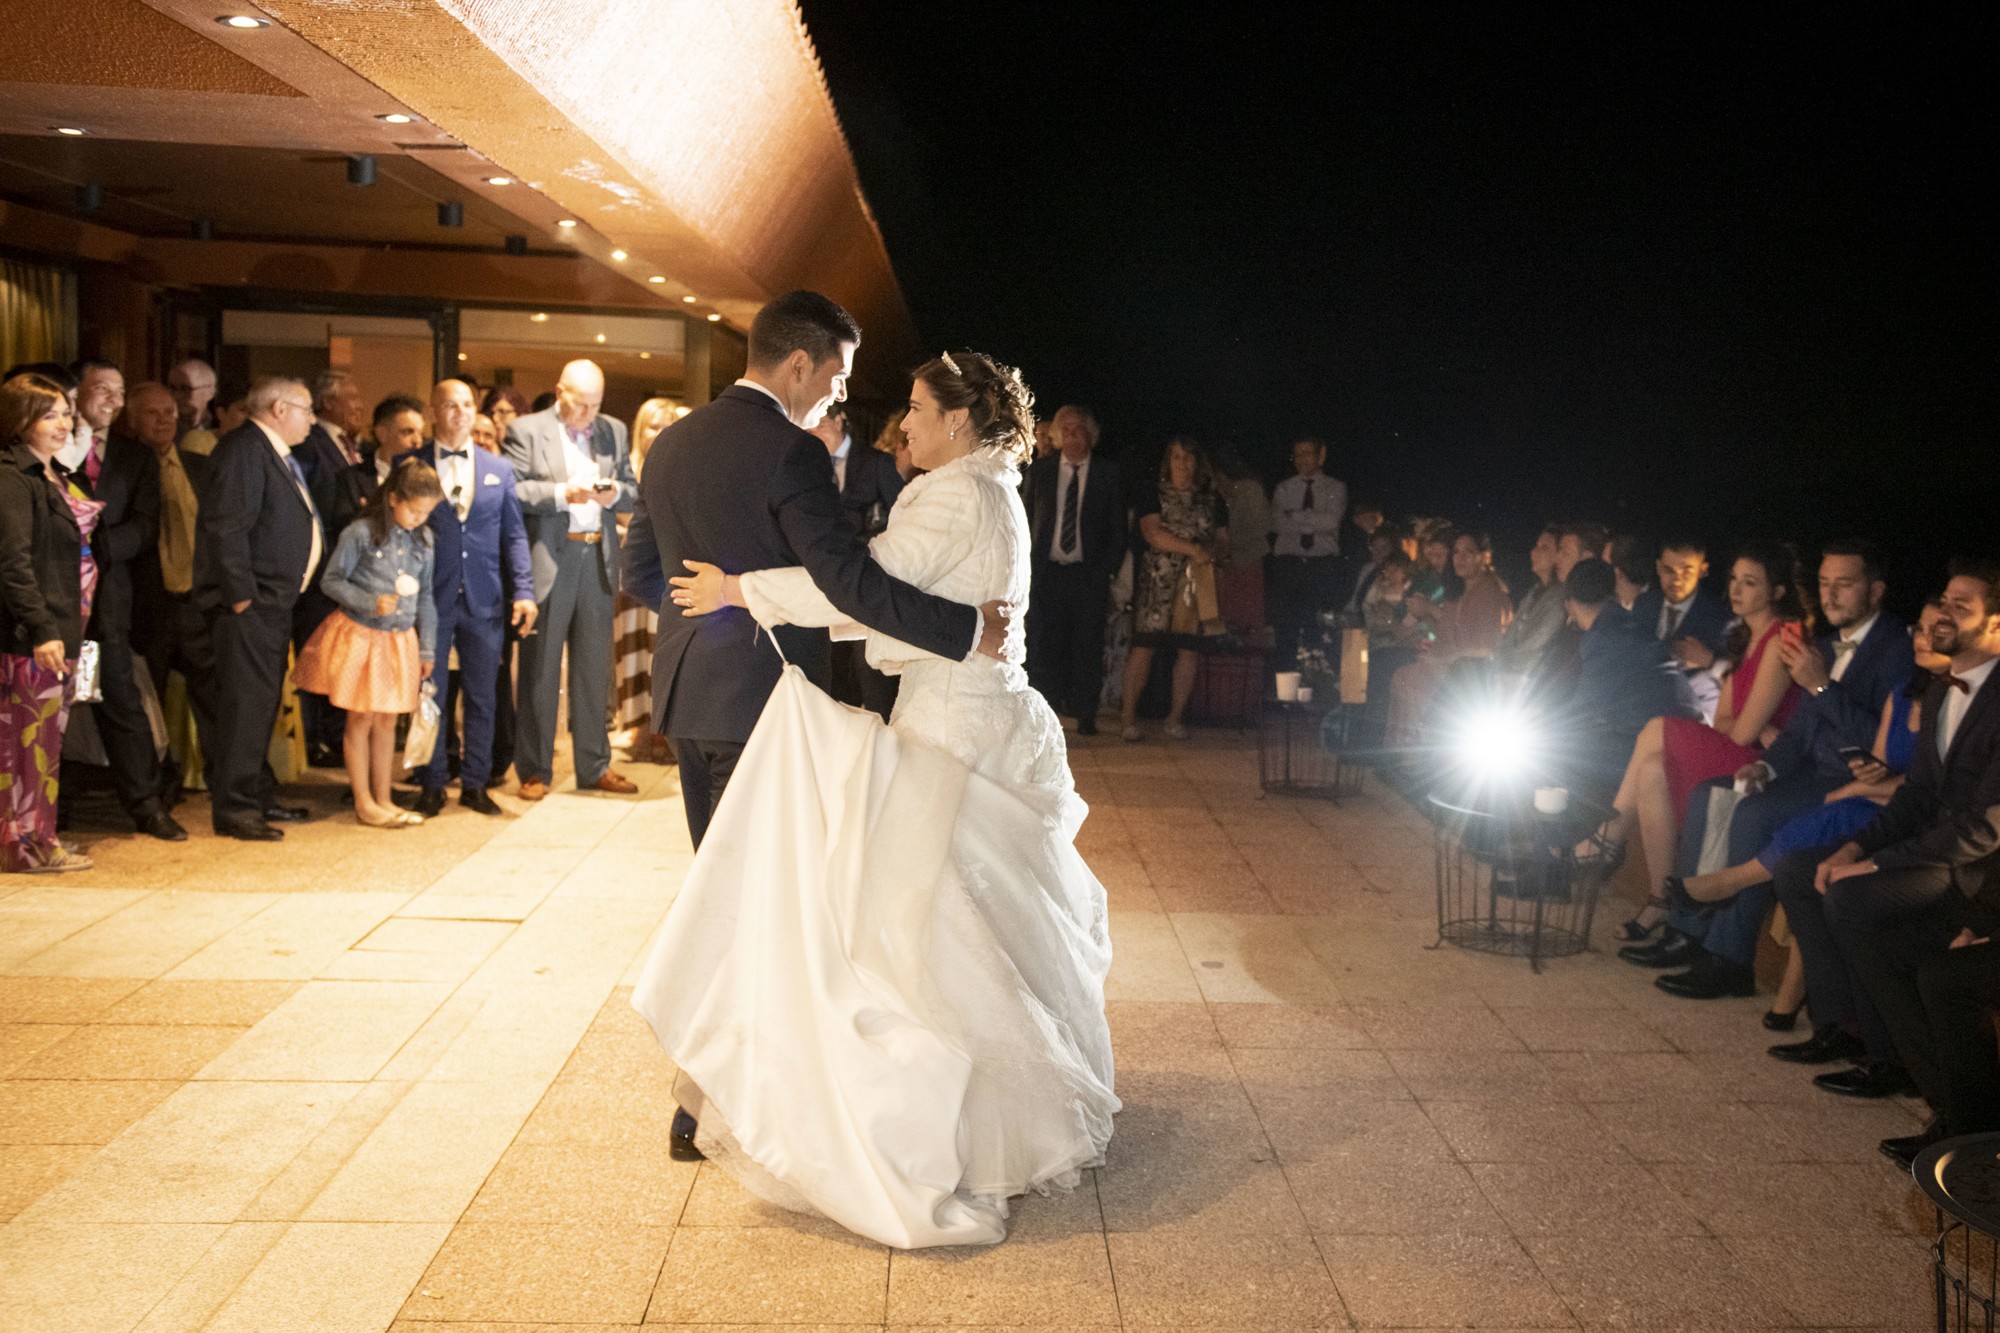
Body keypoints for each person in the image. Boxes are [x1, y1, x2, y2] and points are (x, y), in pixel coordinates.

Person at [641, 348, 1116, 1249]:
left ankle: (948, 1124)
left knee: (929, 929)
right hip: (987, 712)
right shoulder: (994, 488)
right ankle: (1002, 1109)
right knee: (984, 923)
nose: (905, 422)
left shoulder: (952, 495)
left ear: (960, 420)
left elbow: (860, 590)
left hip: (951, 727)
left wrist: (739, 588)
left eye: (919, 407)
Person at [620, 291, 998, 854]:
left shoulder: (670, 442)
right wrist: (967, 628)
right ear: (799, 365)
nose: (841, 393)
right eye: (838, 375)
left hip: (685, 699)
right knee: (757, 884)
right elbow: (845, 582)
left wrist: (707, 618)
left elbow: (637, 571)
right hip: (763, 699)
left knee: (717, 878)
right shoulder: (793, 451)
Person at [1641, 541, 1916, 994]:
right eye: (1824, 583)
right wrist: (1766, 768)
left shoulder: (1897, 651)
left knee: (1754, 814)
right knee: (1715, 790)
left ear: (1876, 590)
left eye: (1844, 584)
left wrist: (1822, 687)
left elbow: (1881, 744)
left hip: (1855, 782)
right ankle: (1688, 930)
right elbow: (1802, 729)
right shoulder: (1825, 645)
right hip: (1808, 772)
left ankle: (1730, 959)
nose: (1830, 595)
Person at [1771, 563, 2000, 1102]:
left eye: (1961, 607)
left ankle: (1896, 1062)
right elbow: (1917, 795)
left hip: (1974, 868)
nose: (1943, 614)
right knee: (1802, 868)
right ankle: (1840, 1027)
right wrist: (1856, 847)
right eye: (1944, 602)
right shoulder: (1942, 692)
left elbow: (1983, 829)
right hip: (1933, 849)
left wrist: (1875, 863)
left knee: (1853, 896)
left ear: (1996, 625)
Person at [1585, 542, 1807, 934]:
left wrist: (1748, 724)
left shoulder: (1780, 640)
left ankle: (1606, 837)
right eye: (1734, 579)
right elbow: (1725, 720)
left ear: (1777, 591)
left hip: (1761, 764)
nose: (1736, 589)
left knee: (1657, 727)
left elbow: (1743, 733)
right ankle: (1659, 901)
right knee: (1651, 770)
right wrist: (1745, 723)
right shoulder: (1746, 636)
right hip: (1737, 747)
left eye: (1750, 582)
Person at [191, 376, 321, 841]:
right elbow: (226, 527)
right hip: (250, 605)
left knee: (260, 705)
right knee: (245, 707)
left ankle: (257, 795)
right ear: (279, 408)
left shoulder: (268, 451)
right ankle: (236, 808)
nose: (312, 420)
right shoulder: (245, 449)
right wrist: (242, 597)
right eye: (307, 410)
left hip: (272, 602)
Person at [503, 359, 638, 800]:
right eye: (581, 405)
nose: (589, 414)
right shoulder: (526, 430)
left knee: (594, 671)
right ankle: (534, 769)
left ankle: (595, 765)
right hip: (550, 557)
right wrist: (564, 494)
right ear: (560, 392)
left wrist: (614, 494)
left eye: (596, 405)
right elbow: (514, 490)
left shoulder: (613, 430)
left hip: (597, 554)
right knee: (540, 669)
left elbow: (632, 489)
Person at [412, 380, 537, 817]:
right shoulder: (411, 464)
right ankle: (431, 782)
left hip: (486, 599)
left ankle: (476, 783)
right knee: (431, 694)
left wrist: (524, 590)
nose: (461, 412)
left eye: (467, 404)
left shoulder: (498, 468)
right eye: (450, 405)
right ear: (433, 412)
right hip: (430, 598)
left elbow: (514, 535)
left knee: (483, 697)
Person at [294, 458, 442, 827]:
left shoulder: (424, 539)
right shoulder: (360, 533)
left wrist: (427, 648)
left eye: (426, 512)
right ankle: (364, 801)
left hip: (399, 639)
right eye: (414, 510)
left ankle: (384, 797)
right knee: (360, 717)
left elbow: (426, 596)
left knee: (387, 719)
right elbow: (331, 580)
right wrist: (368, 601)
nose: (419, 519)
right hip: (362, 634)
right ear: (393, 498)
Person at [0, 374, 102, 872]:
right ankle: (23, 844)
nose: (63, 424)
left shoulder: (52, 473)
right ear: (20, 420)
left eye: (65, 413)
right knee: (24, 746)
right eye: (49, 415)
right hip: (31, 636)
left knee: (46, 743)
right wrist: (42, 628)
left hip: (62, 628)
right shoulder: (11, 477)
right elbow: (13, 564)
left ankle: (40, 836)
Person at [84, 378, 187, 841]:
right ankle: (42, 808)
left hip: (108, 599)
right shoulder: (41, 453)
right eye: (101, 388)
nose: (112, 398)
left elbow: (147, 525)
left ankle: (146, 805)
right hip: (49, 603)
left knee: (121, 701)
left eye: (118, 391)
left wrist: (95, 547)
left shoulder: (134, 456)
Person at [122, 383, 216, 801]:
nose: (164, 420)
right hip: (148, 604)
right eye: (152, 413)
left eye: (170, 413)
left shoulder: (201, 467)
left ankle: (225, 783)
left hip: (197, 603)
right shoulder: (122, 469)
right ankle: (157, 787)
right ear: (131, 419)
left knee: (213, 699)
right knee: (149, 702)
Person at [1119, 436, 1228, 742]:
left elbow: (1223, 539)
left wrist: (1211, 554)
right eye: (1177, 457)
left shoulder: (1212, 498)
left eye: (1189, 458)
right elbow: (1152, 533)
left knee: (1188, 649)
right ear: (1168, 461)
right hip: (1158, 581)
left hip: (1196, 583)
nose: (1183, 464)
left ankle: (1175, 718)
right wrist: (1192, 549)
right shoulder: (1152, 492)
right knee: (1144, 646)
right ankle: (1128, 718)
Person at [1024, 404, 1124, 735]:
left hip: (1088, 574)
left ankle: (1085, 714)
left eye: (1079, 429)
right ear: (1056, 435)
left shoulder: (1107, 474)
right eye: (1065, 430)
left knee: (1087, 645)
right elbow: (1024, 520)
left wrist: (1105, 570)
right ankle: (1044, 711)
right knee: (1045, 644)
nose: (1072, 436)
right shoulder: (1041, 472)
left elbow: (1117, 529)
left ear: (1090, 435)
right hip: (1047, 573)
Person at [816, 399, 907, 721]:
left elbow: (902, 514)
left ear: (838, 421)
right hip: (825, 584)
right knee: (835, 683)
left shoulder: (876, 462)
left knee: (873, 679)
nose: (814, 432)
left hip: (868, 580)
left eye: (820, 424)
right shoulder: (808, 465)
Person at [1386, 530, 1512, 744]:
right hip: (1447, 663)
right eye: (1456, 552)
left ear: (1482, 556)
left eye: (1468, 552)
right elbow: (1446, 631)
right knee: (1401, 674)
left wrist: (1442, 653)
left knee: (1409, 680)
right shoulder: (1459, 590)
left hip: (1469, 672)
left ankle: (1417, 750)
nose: (1460, 558)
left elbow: (1484, 645)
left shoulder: (1490, 591)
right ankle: (1403, 751)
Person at [613, 397, 677, 757]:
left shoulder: (677, 465)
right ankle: (638, 726)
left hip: (663, 574)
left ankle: (662, 729)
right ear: (640, 430)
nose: (660, 433)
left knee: (658, 651)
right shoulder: (627, 470)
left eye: (667, 426)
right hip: (631, 574)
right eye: (654, 426)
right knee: (632, 653)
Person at [1631, 536, 1732, 719]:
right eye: (1669, 570)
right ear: (1658, 568)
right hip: (1639, 710)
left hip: (1691, 718)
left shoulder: (1721, 620)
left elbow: (1741, 682)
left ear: (1702, 571)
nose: (1676, 580)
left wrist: (1711, 661)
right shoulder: (1644, 605)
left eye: (1686, 572)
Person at [1268, 436, 1347, 663]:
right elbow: (1277, 524)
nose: (1301, 459)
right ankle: (1286, 678)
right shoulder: (1284, 488)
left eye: (1307, 453)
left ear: (1320, 456)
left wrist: (1294, 515)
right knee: (1286, 630)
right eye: (1297, 454)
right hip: (1289, 565)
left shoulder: (1335, 488)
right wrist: (1314, 521)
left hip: (1321, 566)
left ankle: (1318, 677)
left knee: (1319, 630)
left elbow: (1331, 522)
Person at [1493, 525, 1566, 678]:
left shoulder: (1561, 597)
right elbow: (1512, 632)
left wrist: (1509, 665)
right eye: (1536, 546)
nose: (1534, 552)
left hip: (1531, 677)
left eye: (1544, 547)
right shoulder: (1533, 593)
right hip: (1510, 673)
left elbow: (1539, 639)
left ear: (1558, 556)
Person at [176, 376, 244, 458]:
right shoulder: (199, 440)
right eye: (243, 410)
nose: (250, 416)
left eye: (253, 411)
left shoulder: (253, 447)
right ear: (221, 413)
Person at [168, 358, 217, 438]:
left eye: (185, 389)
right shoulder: (162, 431)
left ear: (210, 392)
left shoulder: (224, 430)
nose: (176, 395)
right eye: (172, 388)